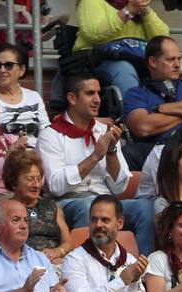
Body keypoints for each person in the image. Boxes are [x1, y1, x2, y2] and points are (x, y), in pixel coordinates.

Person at [43, 74, 154, 255]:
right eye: (89, 94)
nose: (97, 100)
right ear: (72, 98)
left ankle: (143, 271)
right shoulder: (51, 135)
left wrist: (111, 153)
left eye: (98, 93)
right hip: (69, 203)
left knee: (144, 207)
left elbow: (119, 187)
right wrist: (95, 156)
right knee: (88, 205)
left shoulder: (104, 132)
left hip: (105, 200)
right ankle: (88, 268)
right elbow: (55, 186)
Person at [2, 147, 72, 261]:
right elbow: (3, 246)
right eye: (30, 179)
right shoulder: (6, 209)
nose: (37, 185)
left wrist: (57, 252)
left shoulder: (51, 206)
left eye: (39, 179)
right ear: (14, 181)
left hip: (56, 262)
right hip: (22, 264)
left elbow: (67, 242)